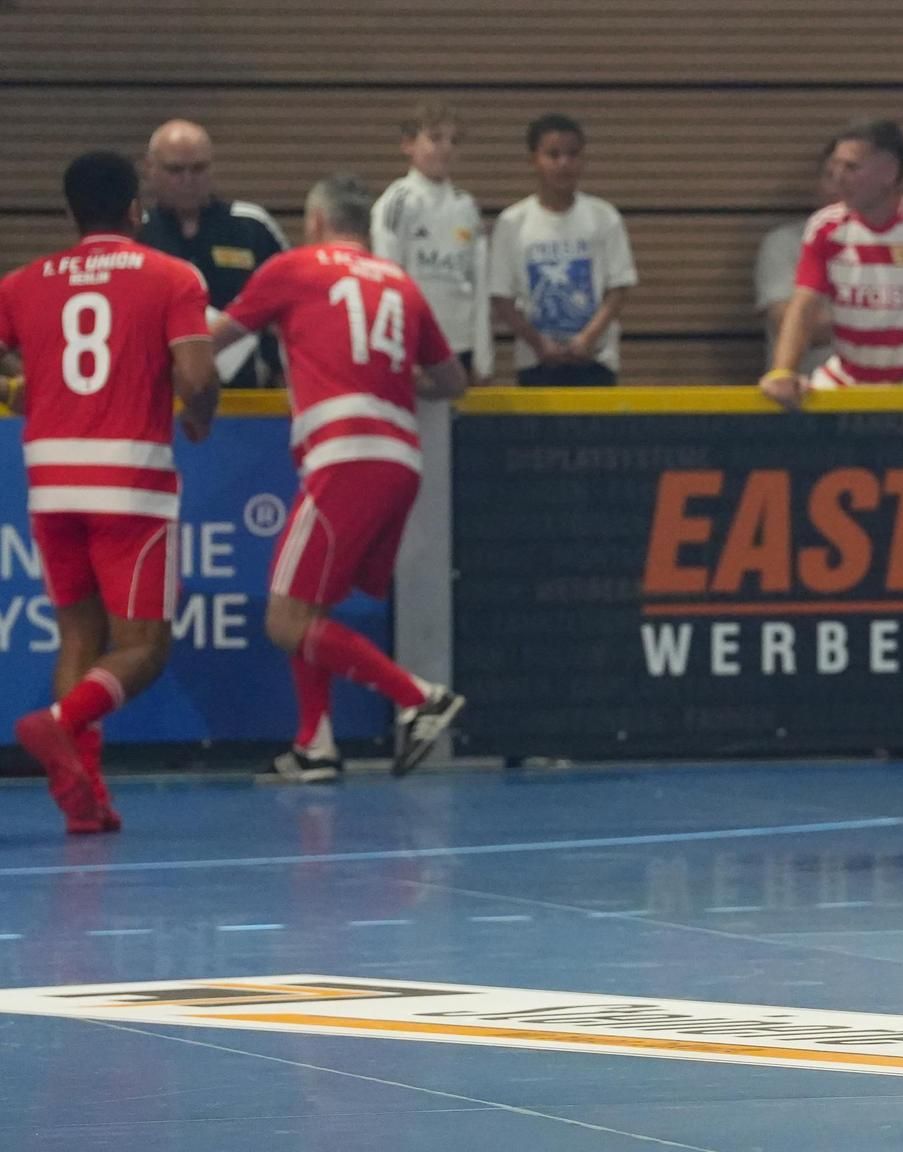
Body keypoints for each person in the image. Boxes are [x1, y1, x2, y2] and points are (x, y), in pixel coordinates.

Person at [211, 174, 469, 781]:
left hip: (343, 454)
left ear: (318, 222)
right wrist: (394, 379)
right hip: (399, 458)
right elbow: (454, 382)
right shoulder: (401, 283)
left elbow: (215, 341)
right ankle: (315, 745)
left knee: (284, 618)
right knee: (312, 606)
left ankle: (419, 697)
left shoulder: (293, 268)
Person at [0, 151, 219, 832]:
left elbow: (31, 368)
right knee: (145, 645)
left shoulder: (22, 283)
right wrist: (198, 415)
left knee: (79, 635)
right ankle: (56, 724)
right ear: (136, 209)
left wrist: (18, 389)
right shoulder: (170, 276)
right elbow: (199, 375)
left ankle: (86, 799)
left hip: (51, 481)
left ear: (70, 213)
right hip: (130, 481)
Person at [760, 119, 903, 407]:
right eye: (835, 167)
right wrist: (782, 372)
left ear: (889, 172)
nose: (838, 178)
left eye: (851, 168)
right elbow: (803, 305)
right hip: (842, 386)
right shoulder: (824, 227)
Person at [489, 114, 636, 386]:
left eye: (572, 154)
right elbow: (501, 296)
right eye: (553, 155)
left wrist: (587, 339)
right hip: (536, 361)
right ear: (533, 160)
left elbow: (619, 287)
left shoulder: (604, 217)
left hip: (596, 361)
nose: (563, 164)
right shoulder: (512, 222)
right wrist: (538, 342)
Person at [139, 119, 287, 388]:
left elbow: (289, 308)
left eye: (198, 169)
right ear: (150, 170)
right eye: (175, 170)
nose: (187, 180)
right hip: (159, 397)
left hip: (250, 401)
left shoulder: (253, 226)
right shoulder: (136, 234)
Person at [372, 100, 492, 378]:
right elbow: (386, 283)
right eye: (435, 138)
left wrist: (483, 359)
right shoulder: (397, 202)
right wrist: (398, 350)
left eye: (453, 141)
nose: (446, 148)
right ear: (408, 145)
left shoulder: (467, 206)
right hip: (415, 348)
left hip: (460, 347)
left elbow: (480, 286)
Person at [755, 141, 840, 379]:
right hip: (803, 397)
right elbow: (792, 326)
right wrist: (887, 325)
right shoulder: (784, 243)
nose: (838, 186)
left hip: (882, 394)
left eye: (851, 173)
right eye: (829, 176)